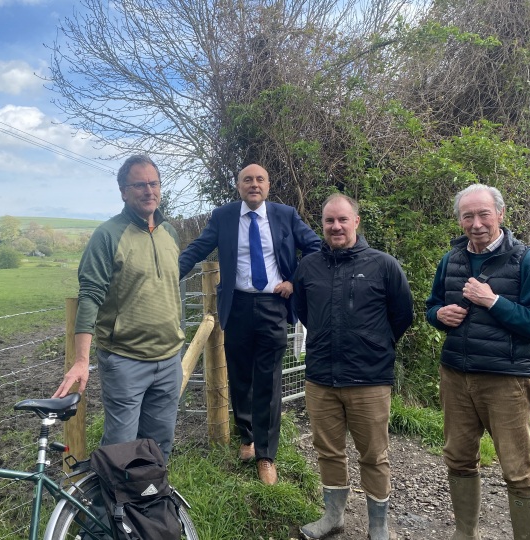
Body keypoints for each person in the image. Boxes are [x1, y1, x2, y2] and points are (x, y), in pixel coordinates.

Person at [426, 184, 530, 540]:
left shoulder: (528, 259)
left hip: (507, 380)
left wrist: (493, 301)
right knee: (459, 459)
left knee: (517, 469)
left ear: (500, 214)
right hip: (456, 375)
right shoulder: (450, 259)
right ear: (460, 220)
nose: (476, 223)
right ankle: (464, 534)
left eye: (484, 214)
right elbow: (431, 306)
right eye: (468, 216)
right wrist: (440, 314)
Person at [178, 163, 321, 484]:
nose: (253, 184)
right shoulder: (223, 216)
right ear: (238, 186)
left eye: (259, 179)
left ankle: (266, 455)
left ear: (268, 185)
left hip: (273, 305)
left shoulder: (286, 215)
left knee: (268, 381)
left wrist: (295, 281)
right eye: (247, 180)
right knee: (240, 377)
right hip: (237, 305)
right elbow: (197, 249)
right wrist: (168, 276)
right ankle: (247, 437)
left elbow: (314, 248)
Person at [293, 193, 413, 540]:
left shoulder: (383, 265)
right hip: (321, 378)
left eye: (343, 220)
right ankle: (334, 517)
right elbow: (304, 312)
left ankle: (378, 526)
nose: (336, 227)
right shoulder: (308, 267)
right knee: (328, 450)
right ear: (322, 225)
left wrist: (374, 345)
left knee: (374, 455)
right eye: (329, 221)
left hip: (369, 378)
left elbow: (401, 315)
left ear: (356, 222)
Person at [53, 155, 185, 463]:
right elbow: (90, 296)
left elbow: (173, 287)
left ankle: (149, 506)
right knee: (120, 448)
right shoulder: (107, 236)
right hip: (125, 361)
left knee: (159, 445)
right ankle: (107, 509)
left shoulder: (170, 233)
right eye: (139, 184)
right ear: (123, 191)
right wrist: (82, 360)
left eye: (154, 183)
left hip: (168, 360)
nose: (148, 190)